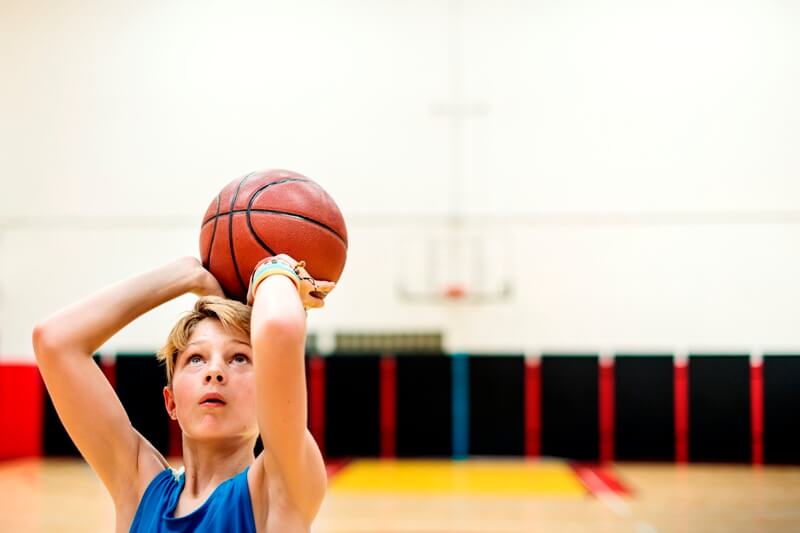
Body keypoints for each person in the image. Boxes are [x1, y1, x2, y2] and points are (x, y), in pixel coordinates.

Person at [32, 254, 334, 532]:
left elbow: (279, 327)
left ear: (265, 395)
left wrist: (273, 271)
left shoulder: (275, 488)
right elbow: (54, 341)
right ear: (171, 401)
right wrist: (187, 275)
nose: (214, 372)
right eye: (196, 358)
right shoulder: (141, 491)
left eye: (239, 358)